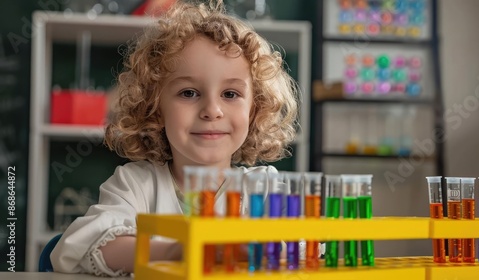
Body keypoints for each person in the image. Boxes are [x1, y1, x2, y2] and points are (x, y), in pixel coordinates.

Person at [50, 0, 299, 276]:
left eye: (230, 94)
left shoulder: (264, 189)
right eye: (188, 93)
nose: (212, 111)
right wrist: (179, 251)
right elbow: (80, 247)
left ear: (255, 109)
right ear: (155, 107)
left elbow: (296, 254)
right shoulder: (137, 185)